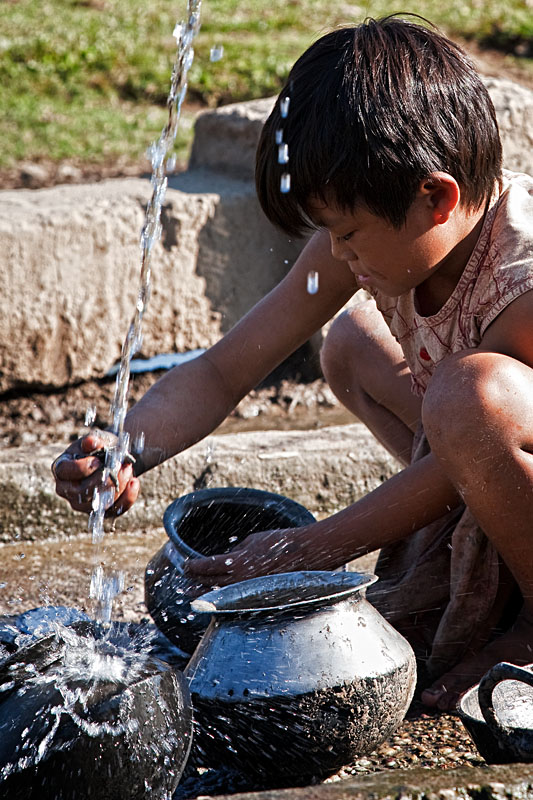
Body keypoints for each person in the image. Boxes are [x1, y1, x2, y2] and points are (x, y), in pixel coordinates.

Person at [52, 16, 533, 711]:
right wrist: (127, 445)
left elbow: (469, 434)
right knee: (351, 343)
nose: (337, 256)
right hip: (479, 452)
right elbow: (223, 371)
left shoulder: (520, 282)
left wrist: (314, 547)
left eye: (346, 233)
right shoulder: (377, 238)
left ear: (435, 197)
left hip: (488, 430)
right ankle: (482, 537)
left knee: (470, 399)